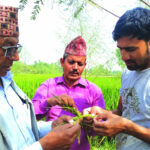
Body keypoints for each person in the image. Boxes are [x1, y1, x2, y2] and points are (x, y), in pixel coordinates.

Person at [0, 5, 81, 150]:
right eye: (8, 48)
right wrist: (44, 146)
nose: (16, 57)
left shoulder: (8, 85)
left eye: (16, 47)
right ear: (62, 63)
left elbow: (23, 130)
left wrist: (51, 126)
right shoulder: (48, 85)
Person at [83, 7, 150, 150]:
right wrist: (102, 113)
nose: (124, 57)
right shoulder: (127, 72)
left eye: (131, 49)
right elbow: (122, 111)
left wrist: (126, 126)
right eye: (121, 49)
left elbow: (125, 122)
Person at [32, 36, 105, 150]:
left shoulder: (94, 90)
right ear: (62, 62)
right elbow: (31, 116)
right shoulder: (48, 85)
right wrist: (49, 101)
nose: (75, 67)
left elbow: (102, 126)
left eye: (80, 64)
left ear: (84, 66)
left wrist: (91, 122)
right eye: (71, 62)